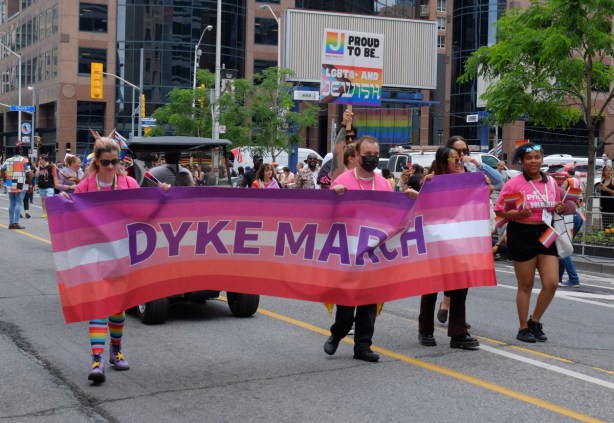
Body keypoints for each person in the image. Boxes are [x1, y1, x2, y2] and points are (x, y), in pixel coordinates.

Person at [63, 137, 169, 383]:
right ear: (96, 162)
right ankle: (96, 359)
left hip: (123, 253)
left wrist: (162, 196)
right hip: (94, 255)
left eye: (115, 161)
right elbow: (73, 216)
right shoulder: (86, 186)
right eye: (106, 162)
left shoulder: (129, 183)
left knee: (118, 310)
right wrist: (66, 204)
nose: (111, 167)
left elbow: (145, 211)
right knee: (99, 306)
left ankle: (115, 350)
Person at [323, 135, 393, 363]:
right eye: (368, 155)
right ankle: (337, 333)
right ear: (357, 156)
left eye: (376, 154)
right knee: (346, 306)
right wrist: (334, 198)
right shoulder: (343, 181)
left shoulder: (384, 184)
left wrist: (411, 200)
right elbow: (326, 214)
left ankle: (363, 346)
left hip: (373, 255)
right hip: (348, 255)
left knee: (369, 303)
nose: (373, 158)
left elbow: (394, 216)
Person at [494, 143, 566, 343]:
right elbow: (499, 211)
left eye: (537, 157)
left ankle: (535, 321)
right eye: (529, 158)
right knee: (525, 284)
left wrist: (558, 207)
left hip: (546, 232)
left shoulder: (551, 182)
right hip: (521, 233)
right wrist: (518, 213)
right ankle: (523, 328)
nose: (533, 161)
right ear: (522, 161)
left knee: (551, 283)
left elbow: (556, 207)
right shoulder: (514, 183)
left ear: (542, 159)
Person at [418, 146, 487, 349]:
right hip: (435, 242)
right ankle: (425, 330)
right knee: (430, 287)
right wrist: (425, 186)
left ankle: (458, 333)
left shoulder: (467, 180)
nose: (459, 162)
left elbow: (489, 190)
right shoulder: (430, 181)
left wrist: (483, 184)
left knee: (459, 287)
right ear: (442, 161)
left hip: (459, 242)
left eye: (461, 158)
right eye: (454, 159)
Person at [437, 136, 500, 322]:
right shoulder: (442, 174)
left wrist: (479, 165)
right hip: (451, 229)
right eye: (457, 152)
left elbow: (497, 181)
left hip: (473, 227)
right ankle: (447, 306)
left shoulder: (471, 168)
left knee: (465, 272)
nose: (462, 155)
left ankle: (456, 315)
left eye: (465, 151)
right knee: (453, 271)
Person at [558, 168, 584, 287]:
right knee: (565, 247)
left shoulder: (557, 191)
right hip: (577, 217)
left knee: (563, 249)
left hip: (567, 219)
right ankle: (558, 277)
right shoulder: (573, 189)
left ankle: (573, 279)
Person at [1, 144, 31, 229]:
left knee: (12, 202)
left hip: (10, 182)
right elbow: (28, 173)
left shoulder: (8, 160)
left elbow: (2, 169)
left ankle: (11, 223)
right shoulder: (23, 160)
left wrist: (4, 179)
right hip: (20, 182)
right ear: (21, 151)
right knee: (18, 202)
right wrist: (30, 185)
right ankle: (16, 223)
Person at [36, 154, 55, 219]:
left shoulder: (50, 167)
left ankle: (50, 212)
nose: (39, 160)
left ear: (43, 159)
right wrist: (38, 167)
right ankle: (44, 213)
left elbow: (54, 175)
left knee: (49, 199)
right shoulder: (41, 167)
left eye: (40, 159)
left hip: (49, 185)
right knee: (43, 199)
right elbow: (37, 175)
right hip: (41, 186)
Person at [599, 165, 614, 230]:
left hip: (612, 206)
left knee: (612, 224)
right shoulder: (603, 181)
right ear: (604, 172)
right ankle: (606, 238)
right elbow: (601, 195)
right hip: (604, 206)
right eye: (607, 170)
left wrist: (606, 189)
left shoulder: (613, 180)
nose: (609, 172)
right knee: (605, 224)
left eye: (610, 170)